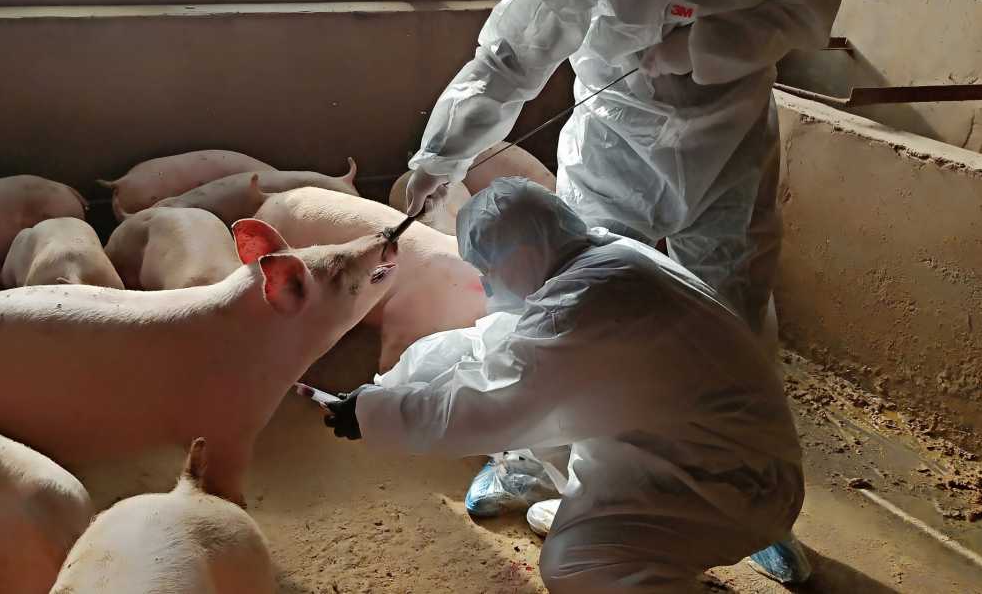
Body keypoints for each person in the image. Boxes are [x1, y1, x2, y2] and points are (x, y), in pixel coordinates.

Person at [401, 0, 848, 581]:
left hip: (728, 134)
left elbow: (809, 17)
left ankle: (740, 498)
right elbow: (514, 51)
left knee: (731, 309)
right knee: (572, 308)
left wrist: (707, 45)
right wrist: (443, 151)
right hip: (613, 129)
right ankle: (532, 467)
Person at [323, 178, 805, 593]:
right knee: (550, 422)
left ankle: (648, 556)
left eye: (489, 269)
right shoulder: (605, 258)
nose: (487, 286)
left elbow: (492, 408)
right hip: (704, 450)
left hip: (729, 488)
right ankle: (614, 522)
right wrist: (388, 390)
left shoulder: (578, 307)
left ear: (525, 253)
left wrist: (374, 415)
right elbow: (493, 346)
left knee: (574, 566)